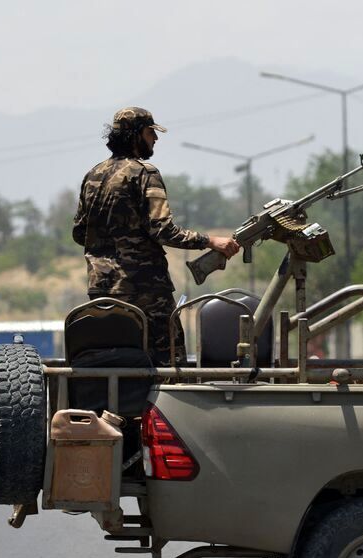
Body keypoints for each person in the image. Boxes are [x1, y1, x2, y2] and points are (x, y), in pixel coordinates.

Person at [73, 106, 241, 365]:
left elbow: (79, 232)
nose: (156, 138)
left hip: (102, 290)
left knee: (115, 361)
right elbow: (163, 230)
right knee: (169, 363)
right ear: (136, 134)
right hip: (144, 290)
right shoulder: (144, 174)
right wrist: (211, 241)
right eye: (151, 132)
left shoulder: (93, 175)